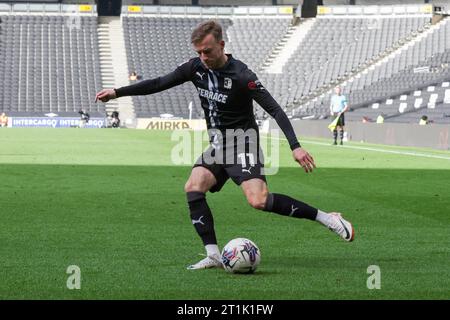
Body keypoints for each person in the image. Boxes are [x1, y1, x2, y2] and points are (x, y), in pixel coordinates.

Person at [95, 20, 354, 270]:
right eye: (198, 52)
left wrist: (295, 146)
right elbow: (159, 83)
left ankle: (327, 218)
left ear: (221, 44)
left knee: (258, 201)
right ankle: (213, 256)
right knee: (193, 186)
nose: (203, 57)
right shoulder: (194, 68)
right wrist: (118, 92)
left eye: (207, 51)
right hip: (219, 145)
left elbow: (274, 109)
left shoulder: (243, 76)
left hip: (243, 143)